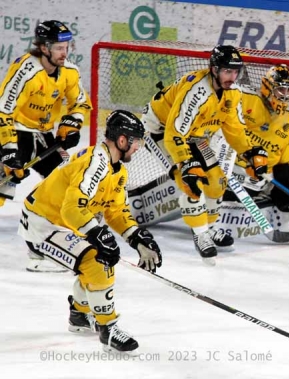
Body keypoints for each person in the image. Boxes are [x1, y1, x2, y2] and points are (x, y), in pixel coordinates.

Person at [18, 110, 162, 352]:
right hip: (42, 224)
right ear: (123, 140)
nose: (139, 147)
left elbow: (115, 212)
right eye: (136, 141)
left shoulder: (117, 169)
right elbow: (72, 208)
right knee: (97, 261)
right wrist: (98, 235)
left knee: (99, 253)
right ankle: (108, 329)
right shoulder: (96, 162)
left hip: (63, 221)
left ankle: (80, 313)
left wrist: (137, 238)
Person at [161, 45, 268, 265]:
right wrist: (185, 161)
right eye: (227, 71)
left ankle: (207, 229)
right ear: (214, 69)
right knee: (190, 181)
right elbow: (173, 132)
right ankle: (201, 236)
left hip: (195, 135)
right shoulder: (197, 90)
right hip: (162, 129)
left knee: (217, 183)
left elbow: (235, 129)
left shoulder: (233, 92)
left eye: (235, 71)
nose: (232, 76)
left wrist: (249, 153)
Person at [0, 20, 93, 272]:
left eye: (67, 46)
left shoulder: (70, 72)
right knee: (3, 183)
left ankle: (43, 242)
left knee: (64, 180)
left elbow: (81, 103)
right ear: (43, 47)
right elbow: (3, 111)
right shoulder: (26, 71)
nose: (65, 52)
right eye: (59, 47)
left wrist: (71, 124)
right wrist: (9, 152)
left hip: (43, 135)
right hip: (15, 131)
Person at [223, 64, 289, 236]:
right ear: (267, 87)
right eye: (280, 89)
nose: (285, 95)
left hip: (259, 177)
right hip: (228, 167)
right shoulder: (243, 97)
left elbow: (285, 158)